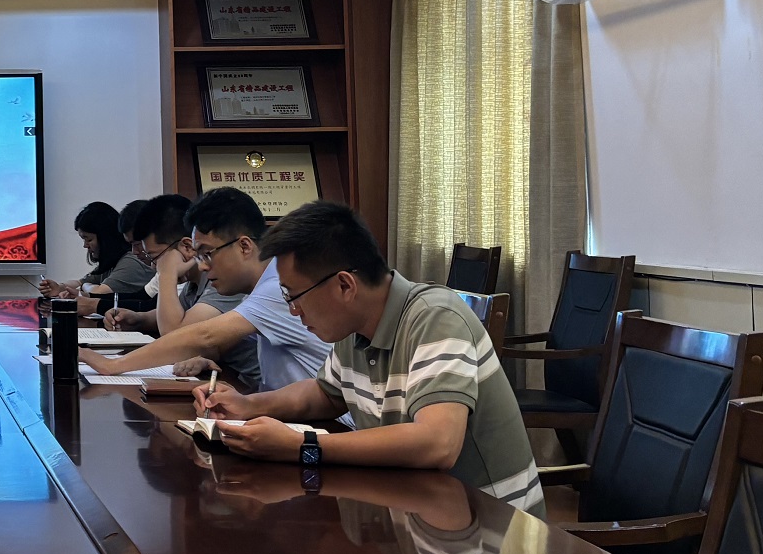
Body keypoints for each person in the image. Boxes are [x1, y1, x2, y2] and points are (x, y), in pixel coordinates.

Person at [191, 200, 545, 518]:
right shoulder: (355, 326)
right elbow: (325, 393)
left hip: (490, 532)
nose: (293, 310)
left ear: (345, 285)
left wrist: (302, 447)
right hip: (416, 511)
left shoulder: (435, 318)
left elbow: (438, 444)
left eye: (293, 295)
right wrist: (247, 406)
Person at [80, 187, 331, 395]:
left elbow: (203, 336)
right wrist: (209, 357)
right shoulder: (260, 284)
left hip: (325, 425)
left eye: (207, 254)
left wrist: (113, 365)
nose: (201, 265)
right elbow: (213, 342)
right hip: (282, 408)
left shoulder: (275, 287)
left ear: (244, 246)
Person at [104, 194, 247, 337]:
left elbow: (174, 333)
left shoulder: (223, 280)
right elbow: (179, 316)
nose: (154, 267)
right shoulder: (193, 283)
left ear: (187, 247)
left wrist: (167, 273)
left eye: (156, 258)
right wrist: (138, 319)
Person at [38, 200, 129, 300]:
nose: (85, 245)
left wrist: (84, 286)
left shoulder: (130, 262)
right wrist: (59, 288)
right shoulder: (111, 263)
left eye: (89, 239)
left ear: (106, 238)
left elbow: (99, 293)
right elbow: (79, 282)